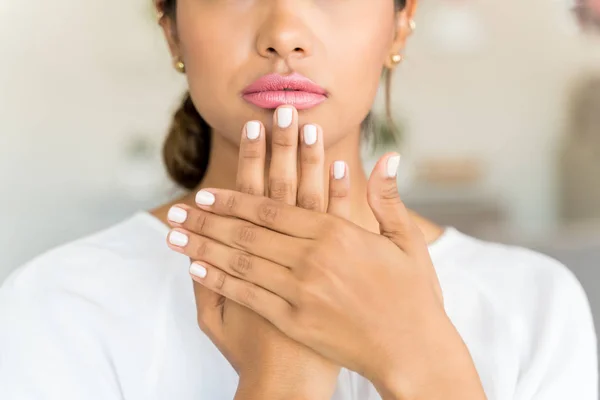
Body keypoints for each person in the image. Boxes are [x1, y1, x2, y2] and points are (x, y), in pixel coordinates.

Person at [0, 0, 597, 399]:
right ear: (171, 28)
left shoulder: (535, 306)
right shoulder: (58, 305)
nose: (282, 32)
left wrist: (420, 354)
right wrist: (282, 377)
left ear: (401, 22)